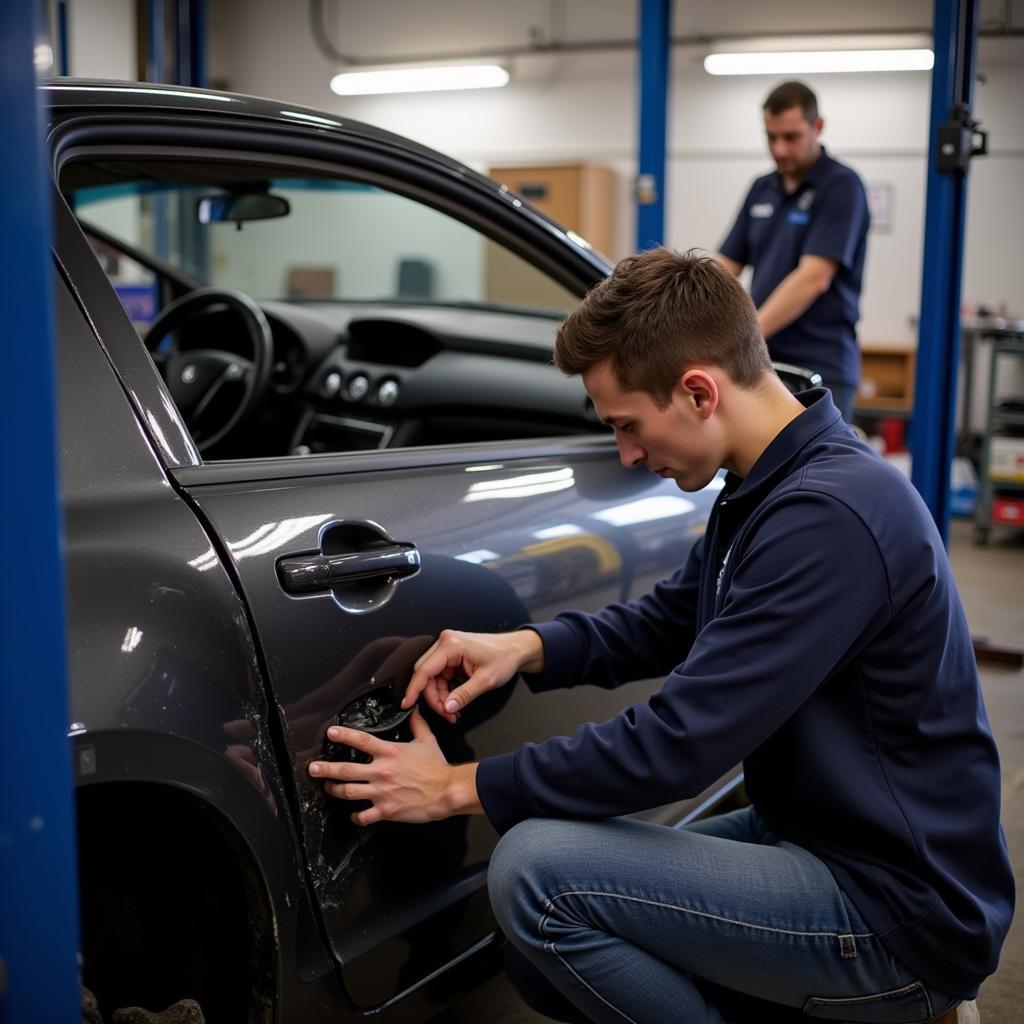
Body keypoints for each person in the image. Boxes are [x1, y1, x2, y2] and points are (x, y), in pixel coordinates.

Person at [307, 249, 1012, 1024]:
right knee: (541, 958)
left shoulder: (831, 517)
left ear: (699, 390)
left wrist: (453, 789)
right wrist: (526, 648)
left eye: (627, 426)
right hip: (823, 838)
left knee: (538, 876)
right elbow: (675, 617)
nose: (629, 456)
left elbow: (680, 743)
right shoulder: (768, 484)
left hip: (895, 911)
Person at [718, 80, 869, 421]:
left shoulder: (841, 186)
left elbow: (813, 278)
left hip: (821, 367)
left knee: (818, 472)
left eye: (791, 137)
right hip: (765, 361)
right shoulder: (762, 188)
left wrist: (745, 336)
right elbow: (725, 266)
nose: (780, 149)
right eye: (771, 138)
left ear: (818, 127)